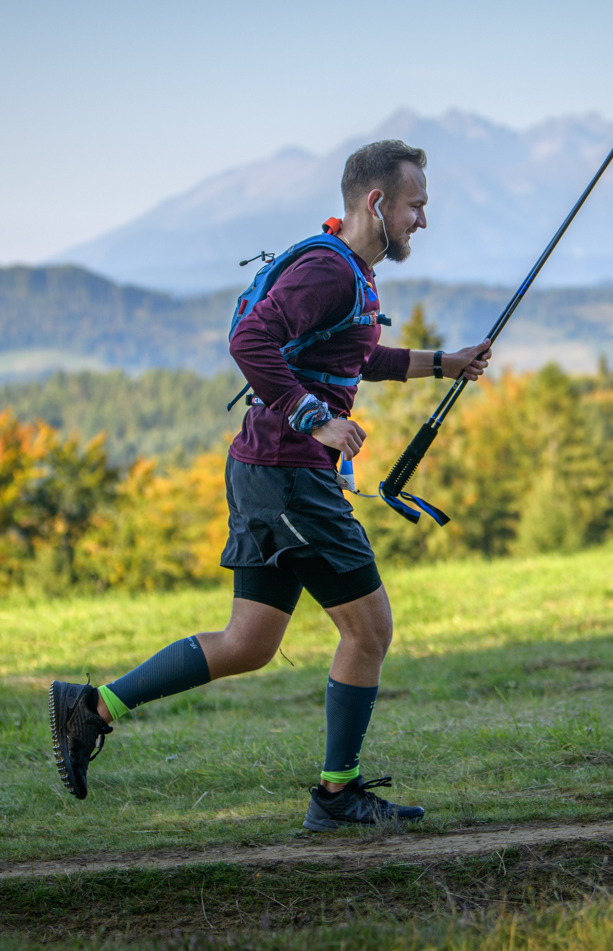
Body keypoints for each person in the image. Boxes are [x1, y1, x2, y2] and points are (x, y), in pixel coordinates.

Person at [48, 138, 490, 830]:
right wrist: (316, 419)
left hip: (269, 470)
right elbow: (249, 340)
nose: (422, 221)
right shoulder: (329, 270)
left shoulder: (349, 271)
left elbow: (357, 355)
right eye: (416, 206)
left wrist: (444, 363)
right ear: (377, 202)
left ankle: (91, 707)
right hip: (289, 477)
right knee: (370, 630)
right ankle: (337, 796)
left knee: (249, 642)